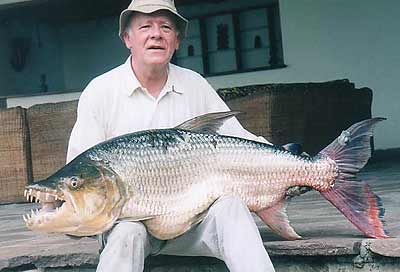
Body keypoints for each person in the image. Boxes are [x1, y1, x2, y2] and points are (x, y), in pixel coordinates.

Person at [66, 0, 276, 271]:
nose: (156, 34)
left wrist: (292, 163)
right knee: (126, 233)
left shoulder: (194, 84)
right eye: (145, 26)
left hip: (194, 222)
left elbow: (240, 142)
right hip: (131, 225)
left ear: (176, 40)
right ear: (127, 38)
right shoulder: (101, 91)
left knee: (231, 208)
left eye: (165, 27)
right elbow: (79, 174)